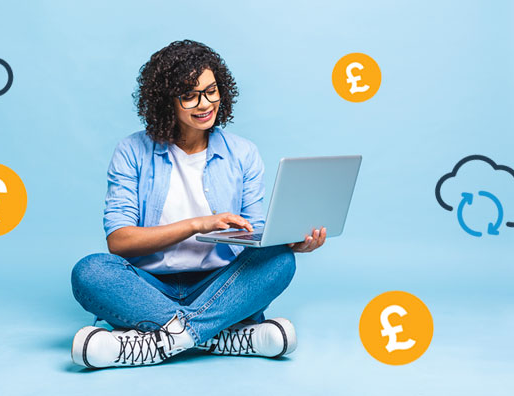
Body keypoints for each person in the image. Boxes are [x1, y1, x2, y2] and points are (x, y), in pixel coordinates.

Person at [70, 40, 327, 369]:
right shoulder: (131, 151)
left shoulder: (244, 154)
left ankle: (165, 340)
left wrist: (290, 239)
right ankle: (221, 337)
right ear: (166, 102)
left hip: (220, 285)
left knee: (280, 259)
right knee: (89, 271)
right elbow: (119, 242)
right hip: (151, 288)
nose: (205, 104)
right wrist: (197, 224)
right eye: (189, 95)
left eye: (211, 91)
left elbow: (255, 233)